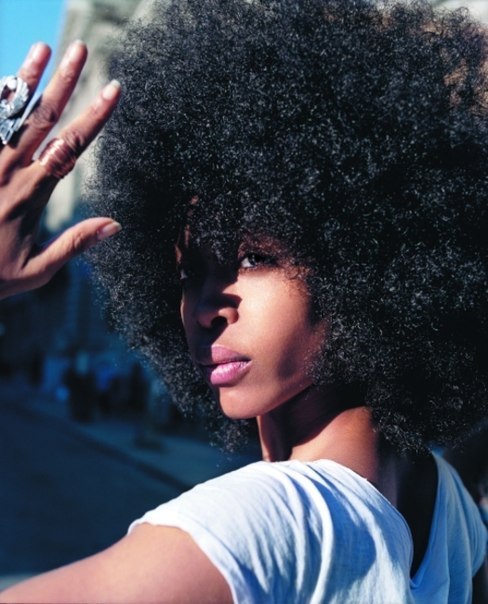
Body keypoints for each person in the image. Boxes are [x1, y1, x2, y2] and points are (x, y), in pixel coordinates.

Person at [0, 0, 487, 601]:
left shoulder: (259, 528)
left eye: (255, 258)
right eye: (188, 274)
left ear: (367, 256)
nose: (208, 307)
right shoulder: (449, 507)